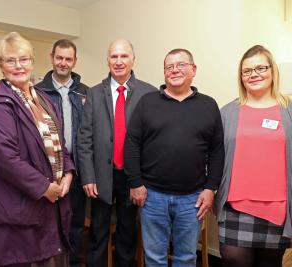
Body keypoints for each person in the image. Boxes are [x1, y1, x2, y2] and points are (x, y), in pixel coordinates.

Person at [124, 48, 224, 267]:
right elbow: (131, 144)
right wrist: (135, 183)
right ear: (164, 72)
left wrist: (210, 189)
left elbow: (217, 150)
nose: (174, 70)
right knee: (154, 257)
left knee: (186, 257)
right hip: (152, 196)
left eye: (181, 65)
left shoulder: (209, 105)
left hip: (192, 199)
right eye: (169, 66)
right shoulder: (147, 102)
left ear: (193, 69)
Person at [0, 32, 75, 267]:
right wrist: (45, 187)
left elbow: (60, 145)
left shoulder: (44, 99)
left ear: (32, 62)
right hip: (20, 206)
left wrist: (68, 173)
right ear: (0, 65)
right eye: (10, 60)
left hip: (52, 202)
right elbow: (6, 158)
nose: (18, 66)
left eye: (23, 59)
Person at [77, 39, 157, 267]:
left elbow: (152, 141)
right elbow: (84, 138)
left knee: (127, 232)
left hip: (133, 177)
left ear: (133, 59)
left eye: (124, 56)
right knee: (98, 232)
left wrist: (142, 179)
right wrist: (88, 176)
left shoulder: (148, 93)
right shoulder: (93, 93)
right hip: (101, 175)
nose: (119, 62)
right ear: (108, 60)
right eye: (114, 57)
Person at [215, 45, 292, 267]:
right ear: (241, 76)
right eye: (247, 70)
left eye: (260, 68)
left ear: (272, 70)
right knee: (233, 259)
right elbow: (216, 155)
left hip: (277, 206)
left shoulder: (288, 110)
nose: (254, 74)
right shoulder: (228, 112)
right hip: (234, 206)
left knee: (269, 263)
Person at [35, 39, 88, 267]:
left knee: (75, 224)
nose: (63, 63)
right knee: (47, 224)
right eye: (59, 58)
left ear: (74, 61)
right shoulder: (37, 92)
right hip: (48, 171)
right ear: (51, 57)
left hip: (77, 170)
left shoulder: (85, 92)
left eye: (68, 59)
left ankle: (73, 263)